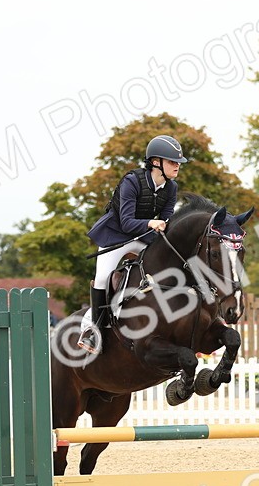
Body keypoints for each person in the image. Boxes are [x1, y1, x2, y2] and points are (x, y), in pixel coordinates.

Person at [78, 134, 187, 355]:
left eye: (178, 162)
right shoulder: (132, 181)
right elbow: (127, 222)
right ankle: (93, 330)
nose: (177, 166)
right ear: (156, 162)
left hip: (143, 237)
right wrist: (151, 223)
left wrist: (164, 227)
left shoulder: (171, 188)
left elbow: (165, 220)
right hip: (117, 235)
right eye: (172, 162)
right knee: (102, 278)